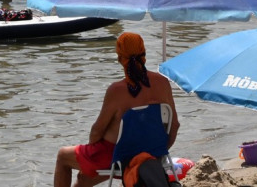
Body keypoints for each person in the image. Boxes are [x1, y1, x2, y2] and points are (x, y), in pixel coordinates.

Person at [53, 33, 179, 187]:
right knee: (84, 178)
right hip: (153, 151)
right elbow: (174, 126)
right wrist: (158, 151)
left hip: (117, 155)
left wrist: (94, 150)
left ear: (120, 58)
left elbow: (96, 133)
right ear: (144, 53)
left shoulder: (117, 90)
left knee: (62, 156)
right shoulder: (163, 82)